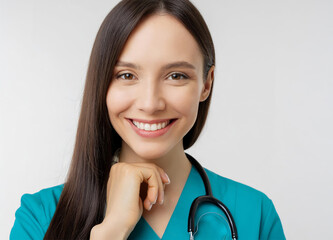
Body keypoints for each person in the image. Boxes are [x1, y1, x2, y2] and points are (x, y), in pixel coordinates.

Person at [10, 0, 286, 239]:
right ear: (102, 83)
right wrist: (111, 231)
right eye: (126, 75)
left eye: (176, 75)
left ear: (206, 84)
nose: (150, 103)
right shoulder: (40, 217)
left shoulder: (255, 214)